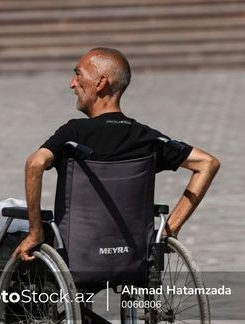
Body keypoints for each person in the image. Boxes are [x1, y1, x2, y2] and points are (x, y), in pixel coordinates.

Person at [14, 47, 220, 261]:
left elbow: (35, 164)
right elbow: (207, 164)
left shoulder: (73, 133)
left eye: (78, 74)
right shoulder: (146, 138)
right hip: (132, 259)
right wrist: (170, 229)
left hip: (76, 256)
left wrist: (35, 232)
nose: (72, 84)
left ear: (100, 83)